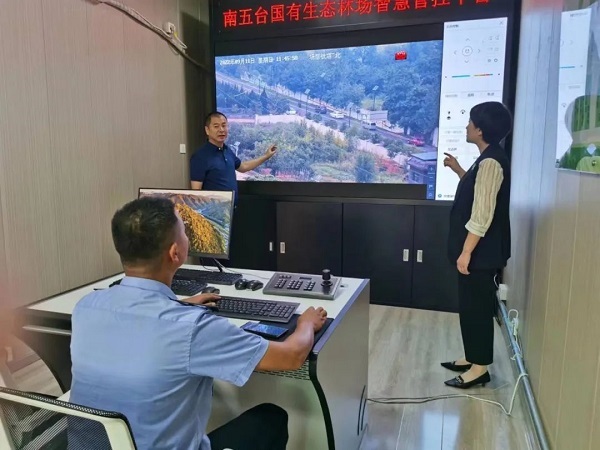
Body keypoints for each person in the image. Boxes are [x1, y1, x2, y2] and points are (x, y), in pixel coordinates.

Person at [69, 196, 328, 450]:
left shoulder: (86, 307)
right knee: (271, 418)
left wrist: (178, 306)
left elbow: (138, 332)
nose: (187, 235)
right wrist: (306, 323)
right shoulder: (193, 328)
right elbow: (291, 356)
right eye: (184, 230)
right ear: (175, 253)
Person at [441, 101, 513, 389]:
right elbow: (477, 192)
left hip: (480, 255)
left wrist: (467, 252)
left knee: (478, 309)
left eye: (470, 122)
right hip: (476, 253)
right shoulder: (485, 159)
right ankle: (473, 358)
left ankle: (480, 368)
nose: (467, 126)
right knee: (470, 307)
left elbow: (482, 214)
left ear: (480, 130)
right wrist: (459, 170)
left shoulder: (492, 162)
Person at [190, 112, 277, 201]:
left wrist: (266, 156)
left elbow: (243, 167)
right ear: (207, 130)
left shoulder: (227, 150)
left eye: (224, 126)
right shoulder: (200, 156)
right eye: (216, 126)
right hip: (213, 209)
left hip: (232, 207)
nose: (221, 130)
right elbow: (196, 193)